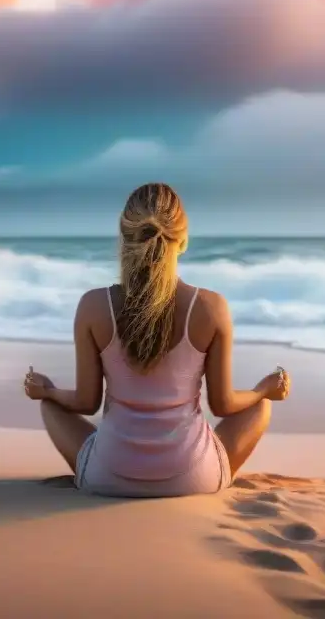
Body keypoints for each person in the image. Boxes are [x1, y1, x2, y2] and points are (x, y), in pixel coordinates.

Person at [23, 182, 290, 497]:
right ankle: (211, 469)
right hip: (192, 479)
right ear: (184, 240)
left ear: (125, 239)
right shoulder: (210, 307)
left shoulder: (94, 306)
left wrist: (48, 390)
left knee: (50, 406)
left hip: (107, 476)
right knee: (261, 407)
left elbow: (86, 402)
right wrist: (264, 389)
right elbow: (223, 405)